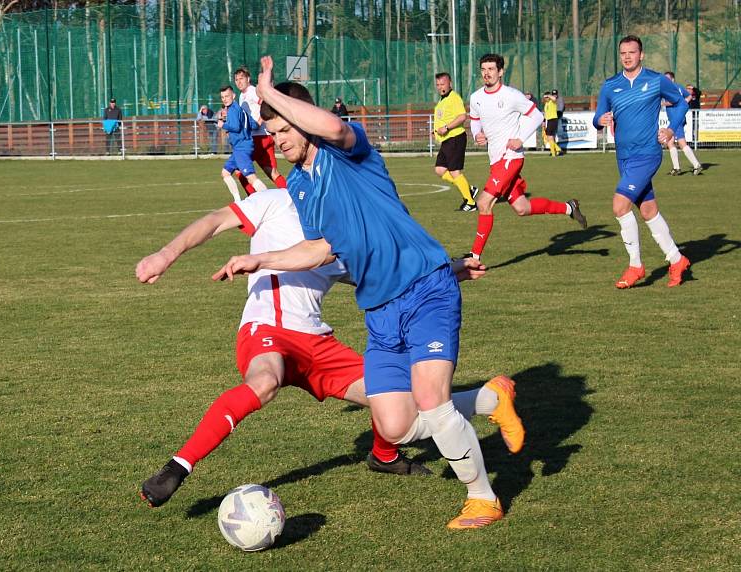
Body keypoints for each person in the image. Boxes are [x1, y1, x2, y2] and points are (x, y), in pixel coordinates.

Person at [214, 55, 516, 530]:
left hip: (425, 291)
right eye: (272, 135)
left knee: (433, 400)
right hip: (379, 310)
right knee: (395, 423)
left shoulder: (349, 151)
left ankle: (483, 497)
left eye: (284, 130)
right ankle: (490, 399)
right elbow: (319, 249)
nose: (279, 141)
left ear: (301, 120)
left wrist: (269, 93)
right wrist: (260, 260)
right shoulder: (300, 188)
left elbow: (331, 128)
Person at [137, 187, 525, 508]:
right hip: (267, 331)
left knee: (395, 399)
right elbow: (214, 220)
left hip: (318, 344)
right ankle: (176, 469)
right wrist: (164, 254)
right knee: (265, 381)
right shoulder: (277, 201)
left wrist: (453, 269)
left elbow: (381, 276)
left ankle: (394, 452)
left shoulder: (339, 235)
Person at [466, 54, 587, 263]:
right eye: (484, 69)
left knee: (483, 203)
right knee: (522, 208)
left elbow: (537, 116)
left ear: (500, 72)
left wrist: (520, 139)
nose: (487, 73)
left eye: (491, 69)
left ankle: (474, 257)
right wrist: (478, 133)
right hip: (496, 160)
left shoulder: (512, 95)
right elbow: (475, 120)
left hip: (510, 158)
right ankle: (569, 207)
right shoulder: (476, 97)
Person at [593, 35, 691, 289]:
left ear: (641, 55)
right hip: (623, 157)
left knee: (619, 206)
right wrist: (599, 121)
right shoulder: (610, 85)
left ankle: (635, 265)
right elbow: (597, 117)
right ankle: (677, 259)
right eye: (623, 53)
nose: (627, 57)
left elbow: (681, 102)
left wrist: (671, 129)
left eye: (632, 52)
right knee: (648, 211)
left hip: (647, 154)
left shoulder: (656, 80)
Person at [234, 66, 287, 194]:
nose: (239, 82)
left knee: (239, 169)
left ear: (248, 78)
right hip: (265, 137)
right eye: (236, 79)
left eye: (241, 78)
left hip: (258, 138)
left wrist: (258, 121)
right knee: (272, 172)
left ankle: (255, 198)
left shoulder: (252, 91)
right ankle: (290, 195)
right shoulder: (242, 96)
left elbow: (266, 103)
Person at [433, 72, 478, 212]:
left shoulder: (454, 98)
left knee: (454, 171)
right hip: (447, 140)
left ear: (450, 84)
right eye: (438, 84)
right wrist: (436, 130)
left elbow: (462, 116)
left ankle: (470, 203)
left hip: (455, 138)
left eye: (443, 84)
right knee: (440, 170)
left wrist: (446, 127)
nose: (440, 87)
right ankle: (467, 188)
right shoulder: (442, 100)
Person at [216, 85, 268, 201]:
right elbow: (254, 125)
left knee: (251, 177)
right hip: (241, 147)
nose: (224, 99)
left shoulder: (233, 110)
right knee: (225, 172)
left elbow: (236, 127)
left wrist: (223, 125)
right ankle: (238, 201)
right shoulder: (241, 110)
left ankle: (270, 199)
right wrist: (263, 116)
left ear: (233, 96)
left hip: (242, 148)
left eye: (227, 96)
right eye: (222, 97)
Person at [662, 72, 703, 176]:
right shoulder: (679, 87)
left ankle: (696, 165)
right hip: (676, 119)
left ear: (672, 80)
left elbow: (674, 101)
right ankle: (676, 168)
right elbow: (689, 96)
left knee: (681, 142)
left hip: (677, 119)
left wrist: (662, 103)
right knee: (670, 142)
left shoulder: (671, 89)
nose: (664, 80)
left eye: (667, 78)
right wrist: (684, 102)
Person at [543, 91, 562, 157]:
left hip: (553, 119)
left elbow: (554, 98)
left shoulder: (552, 101)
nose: (545, 98)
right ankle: (556, 151)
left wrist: (548, 95)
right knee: (549, 137)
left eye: (546, 97)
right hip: (549, 121)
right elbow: (545, 113)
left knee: (550, 137)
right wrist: (544, 121)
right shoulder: (546, 104)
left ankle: (555, 152)